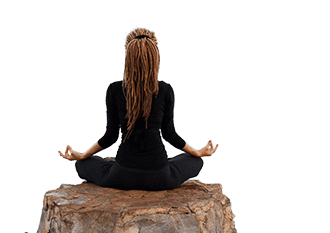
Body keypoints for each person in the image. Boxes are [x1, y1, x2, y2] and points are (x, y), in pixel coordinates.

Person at [57, 26, 219, 191]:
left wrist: (84, 155)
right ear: (155, 57)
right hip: (161, 177)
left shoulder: (115, 89)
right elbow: (169, 133)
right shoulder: (165, 90)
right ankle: (167, 164)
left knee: (82, 165)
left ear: (128, 57)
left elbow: (110, 136)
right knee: (196, 161)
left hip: (121, 176)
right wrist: (197, 152)